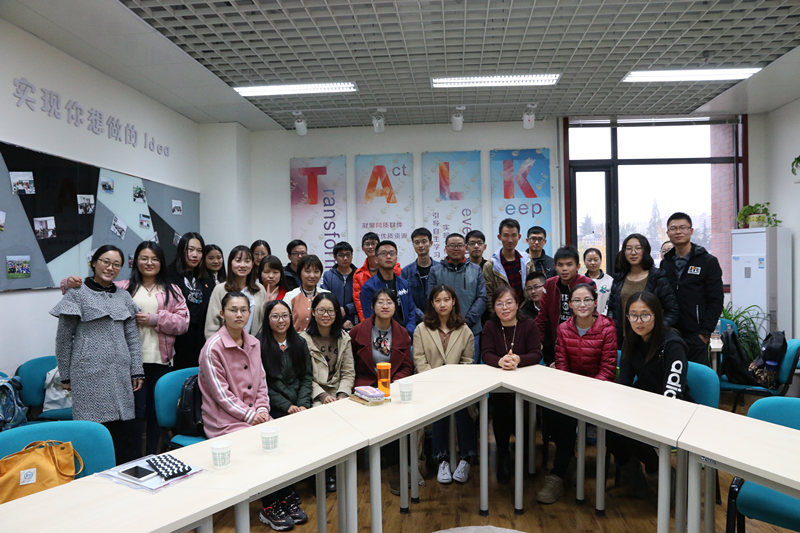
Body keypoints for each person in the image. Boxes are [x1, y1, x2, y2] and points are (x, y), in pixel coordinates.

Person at [50, 245, 144, 465]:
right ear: (94, 263)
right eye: (105, 262)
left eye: (116, 264)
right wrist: (65, 375)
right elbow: (63, 339)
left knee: (123, 432)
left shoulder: (123, 296)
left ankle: (126, 474)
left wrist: (136, 370)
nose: (110, 268)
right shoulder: (77, 293)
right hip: (88, 373)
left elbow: (132, 337)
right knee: (92, 431)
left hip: (120, 373)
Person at [537, 284, 616, 504]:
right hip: (571, 389)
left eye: (587, 300)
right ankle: (563, 467)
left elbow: (608, 369)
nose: (582, 305)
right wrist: (572, 392)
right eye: (577, 301)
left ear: (595, 302)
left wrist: (586, 393)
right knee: (553, 411)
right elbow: (561, 364)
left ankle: (559, 470)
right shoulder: (564, 329)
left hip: (599, 390)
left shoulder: (607, 328)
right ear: (570, 305)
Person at [609, 291, 691, 495]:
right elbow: (624, 383)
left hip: (674, 407)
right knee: (609, 427)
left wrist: (642, 413)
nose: (639, 321)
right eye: (633, 315)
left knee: (633, 432)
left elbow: (672, 393)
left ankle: (659, 472)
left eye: (645, 315)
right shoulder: (631, 339)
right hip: (643, 402)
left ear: (657, 315)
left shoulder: (672, 344)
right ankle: (634, 480)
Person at [257, 299, 312, 529]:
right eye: (275, 316)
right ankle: (276, 498)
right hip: (274, 406)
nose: (281, 321)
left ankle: (288, 491)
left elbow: (306, 377)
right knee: (277, 446)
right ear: (267, 319)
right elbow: (263, 384)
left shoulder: (299, 342)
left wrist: (302, 404)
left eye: (285, 316)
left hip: (298, 404)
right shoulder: (259, 345)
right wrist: (287, 406)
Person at [413, 285, 475, 485]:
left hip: (458, 387)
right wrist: (437, 383)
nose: (442, 304)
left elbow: (467, 362)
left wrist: (453, 384)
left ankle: (465, 458)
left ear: (453, 301)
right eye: (438, 300)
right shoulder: (421, 329)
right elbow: (420, 360)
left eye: (446, 299)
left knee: (464, 408)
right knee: (440, 407)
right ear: (432, 303)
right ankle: (442, 459)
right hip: (430, 386)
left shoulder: (464, 330)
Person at [481, 286, 542, 484]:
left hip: (525, 384)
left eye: (509, 302)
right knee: (500, 412)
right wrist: (500, 361)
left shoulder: (529, 325)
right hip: (500, 385)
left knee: (523, 413)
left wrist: (518, 359)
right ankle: (503, 455)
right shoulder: (490, 326)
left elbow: (536, 354)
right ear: (494, 307)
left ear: (518, 304)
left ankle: (525, 456)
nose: (505, 308)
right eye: (499, 304)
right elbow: (486, 353)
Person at [298, 293, 355, 492]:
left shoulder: (344, 338)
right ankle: (320, 473)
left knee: (348, 415)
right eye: (321, 310)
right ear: (313, 312)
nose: (326, 315)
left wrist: (342, 395)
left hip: (338, 392)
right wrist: (323, 396)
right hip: (315, 392)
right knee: (319, 418)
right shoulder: (302, 340)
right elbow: (304, 376)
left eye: (330, 311)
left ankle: (341, 469)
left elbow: (348, 373)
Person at [660, 212, 724, 365]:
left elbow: (716, 300)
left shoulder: (708, 261)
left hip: (696, 335)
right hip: (670, 333)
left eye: (683, 227)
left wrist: (704, 333)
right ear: (668, 233)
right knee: (671, 374)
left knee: (696, 375)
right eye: (673, 228)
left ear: (691, 231)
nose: (678, 232)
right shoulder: (665, 263)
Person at [607, 234, 679, 347]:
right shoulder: (619, 278)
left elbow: (672, 311)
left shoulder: (657, 277)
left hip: (650, 340)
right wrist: (612, 328)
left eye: (638, 248)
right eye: (629, 249)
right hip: (623, 339)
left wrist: (655, 329)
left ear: (645, 251)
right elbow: (612, 308)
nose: (633, 252)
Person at [428, 232, 487, 362]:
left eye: (459, 245)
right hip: (443, 330)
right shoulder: (435, 271)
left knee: (470, 367)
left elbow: (482, 297)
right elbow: (431, 298)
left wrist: (467, 321)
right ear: (446, 248)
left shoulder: (476, 270)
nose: (456, 248)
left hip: (471, 329)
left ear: (465, 247)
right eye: (452, 245)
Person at [536, 246, 594, 365]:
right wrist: (537, 341)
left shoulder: (588, 284)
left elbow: (592, 315)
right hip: (554, 341)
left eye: (569, 264)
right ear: (555, 266)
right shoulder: (549, 284)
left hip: (581, 343)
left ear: (577, 266)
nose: (564, 269)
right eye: (560, 265)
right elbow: (542, 316)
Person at [350, 288, 413, 388]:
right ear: (372, 306)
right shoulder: (358, 331)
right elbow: (347, 363)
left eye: (389, 303)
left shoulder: (402, 333)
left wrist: (394, 384)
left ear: (395, 306)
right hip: (365, 386)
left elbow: (406, 367)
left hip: (392, 385)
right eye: (380, 302)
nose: (385, 306)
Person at [170, 232, 215, 369]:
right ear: (181, 250)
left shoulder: (207, 278)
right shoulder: (169, 275)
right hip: (177, 340)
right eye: (190, 250)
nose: (195, 255)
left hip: (201, 338)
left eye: (199, 251)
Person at [205, 245, 266, 339]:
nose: (243, 265)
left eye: (247, 261)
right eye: (238, 260)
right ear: (230, 263)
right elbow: (212, 324)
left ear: (252, 264)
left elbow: (263, 323)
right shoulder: (220, 289)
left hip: (253, 343)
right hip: (224, 344)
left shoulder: (259, 289)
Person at [360, 240, 417, 336]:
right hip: (383, 337)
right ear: (376, 259)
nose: (388, 256)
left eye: (392, 253)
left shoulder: (404, 284)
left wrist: (408, 332)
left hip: (406, 335)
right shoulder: (369, 287)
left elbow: (411, 311)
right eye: (384, 253)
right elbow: (369, 317)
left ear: (396, 258)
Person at [483, 218, 531, 308]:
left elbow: (532, 288)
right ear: (499, 237)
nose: (510, 240)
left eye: (514, 235)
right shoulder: (490, 265)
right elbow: (489, 295)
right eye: (506, 235)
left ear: (519, 237)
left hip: (526, 310)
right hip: (503, 311)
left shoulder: (527, 260)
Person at [354, 232, 400, 321]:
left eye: (373, 243)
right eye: (367, 244)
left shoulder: (395, 269)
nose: (370, 247)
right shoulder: (358, 274)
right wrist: (367, 324)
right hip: (371, 319)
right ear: (363, 248)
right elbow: (359, 303)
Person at [283, 254, 330, 332]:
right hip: (296, 339)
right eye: (307, 271)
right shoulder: (290, 296)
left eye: (316, 271)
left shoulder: (327, 295)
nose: (312, 275)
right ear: (300, 273)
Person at [320, 241, 357, 329]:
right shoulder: (328, 276)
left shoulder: (359, 275)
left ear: (352, 256)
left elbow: (362, 298)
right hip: (332, 319)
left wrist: (347, 309)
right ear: (335, 257)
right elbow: (325, 297)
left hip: (354, 319)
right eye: (341, 255)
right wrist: (337, 310)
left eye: (348, 255)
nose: (345, 258)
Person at [400, 227, 433, 324]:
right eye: (417, 242)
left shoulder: (440, 269)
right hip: (414, 321)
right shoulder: (406, 272)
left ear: (431, 243)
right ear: (413, 245)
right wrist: (422, 316)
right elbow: (405, 298)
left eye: (424, 241)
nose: (420, 245)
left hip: (438, 320)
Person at [583, 248, 612, 315]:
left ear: (601, 260)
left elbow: (611, 304)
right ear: (584, 262)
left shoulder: (610, 280)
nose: (593, 263)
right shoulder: (581, 281)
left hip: (603, 317)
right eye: (589, 260)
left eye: (596, 260)